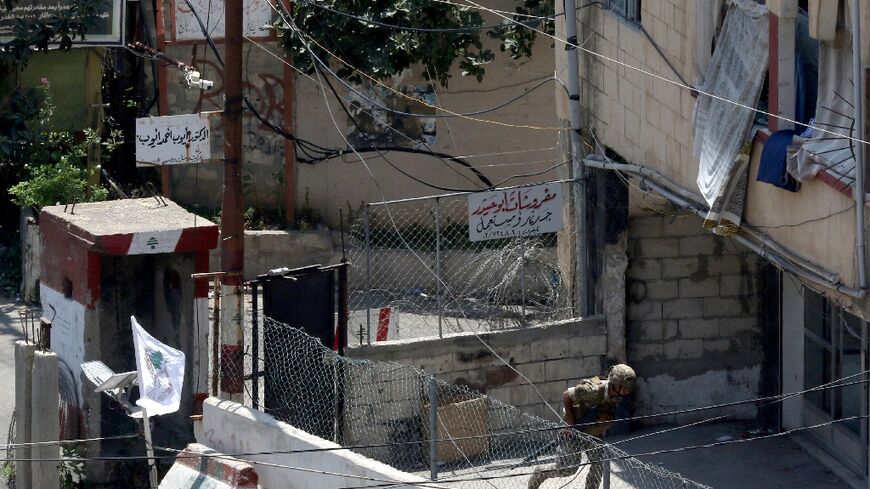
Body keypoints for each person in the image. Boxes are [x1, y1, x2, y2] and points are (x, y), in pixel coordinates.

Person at [527, 364, 636, 489]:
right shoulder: (593, 390)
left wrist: (605, 422)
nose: (628, 391)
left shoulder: (617, 396)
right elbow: (567, 395)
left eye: (629, 388)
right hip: (575, 431)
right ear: (616, 383)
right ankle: (541, 472)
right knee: (567, 470)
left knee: (598, 464)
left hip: (593, 432)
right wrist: (569, 422)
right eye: (625, 388)